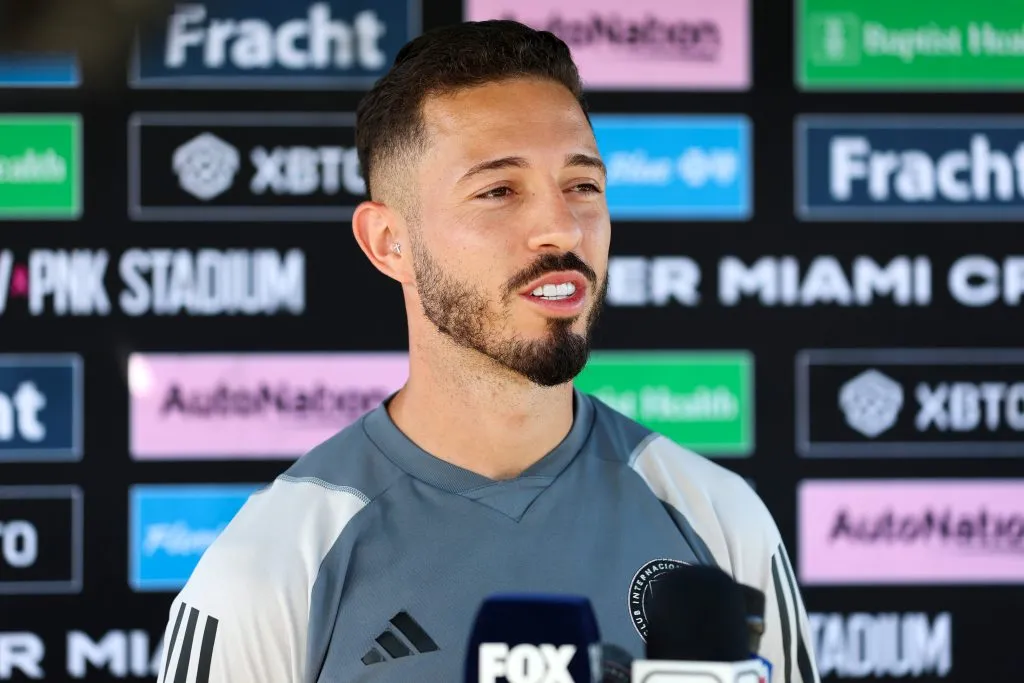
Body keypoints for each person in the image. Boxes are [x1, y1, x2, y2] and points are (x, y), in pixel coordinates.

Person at [154, 20, 821, 683]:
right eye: (499, 191)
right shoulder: (271, 563)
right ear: (390, 241)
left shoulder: (720, 518)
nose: (560, 226)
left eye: (582, 185)